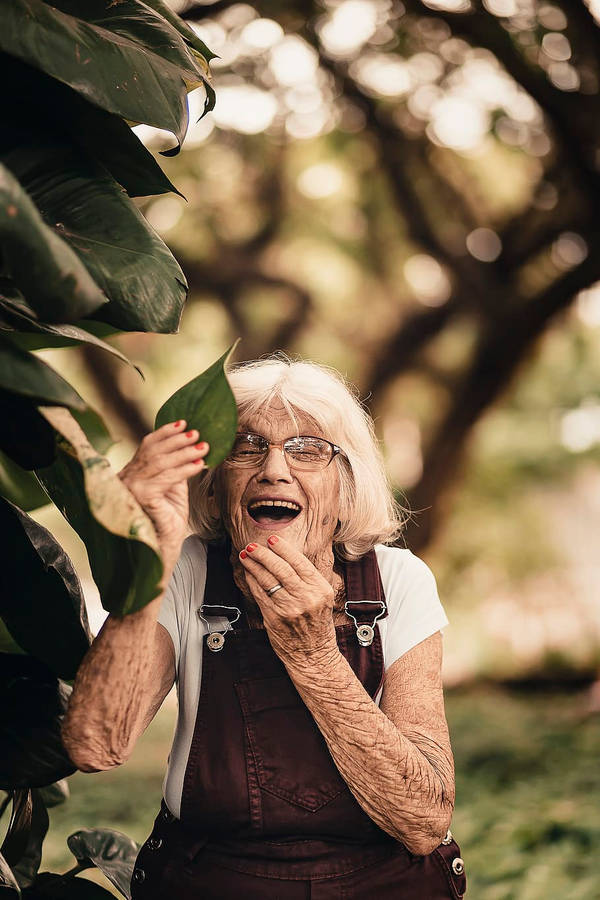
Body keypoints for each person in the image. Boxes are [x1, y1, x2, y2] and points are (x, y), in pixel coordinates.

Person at [61, 356, 467, 899]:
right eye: (246, 446)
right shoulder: (184, 571)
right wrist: (145, 548)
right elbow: (94, 744)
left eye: (308, 449)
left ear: (346, 482)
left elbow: (423, 822)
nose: (273, 469)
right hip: (215, 879)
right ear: (216, 482)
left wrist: (315, 656)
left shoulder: (399, 580)